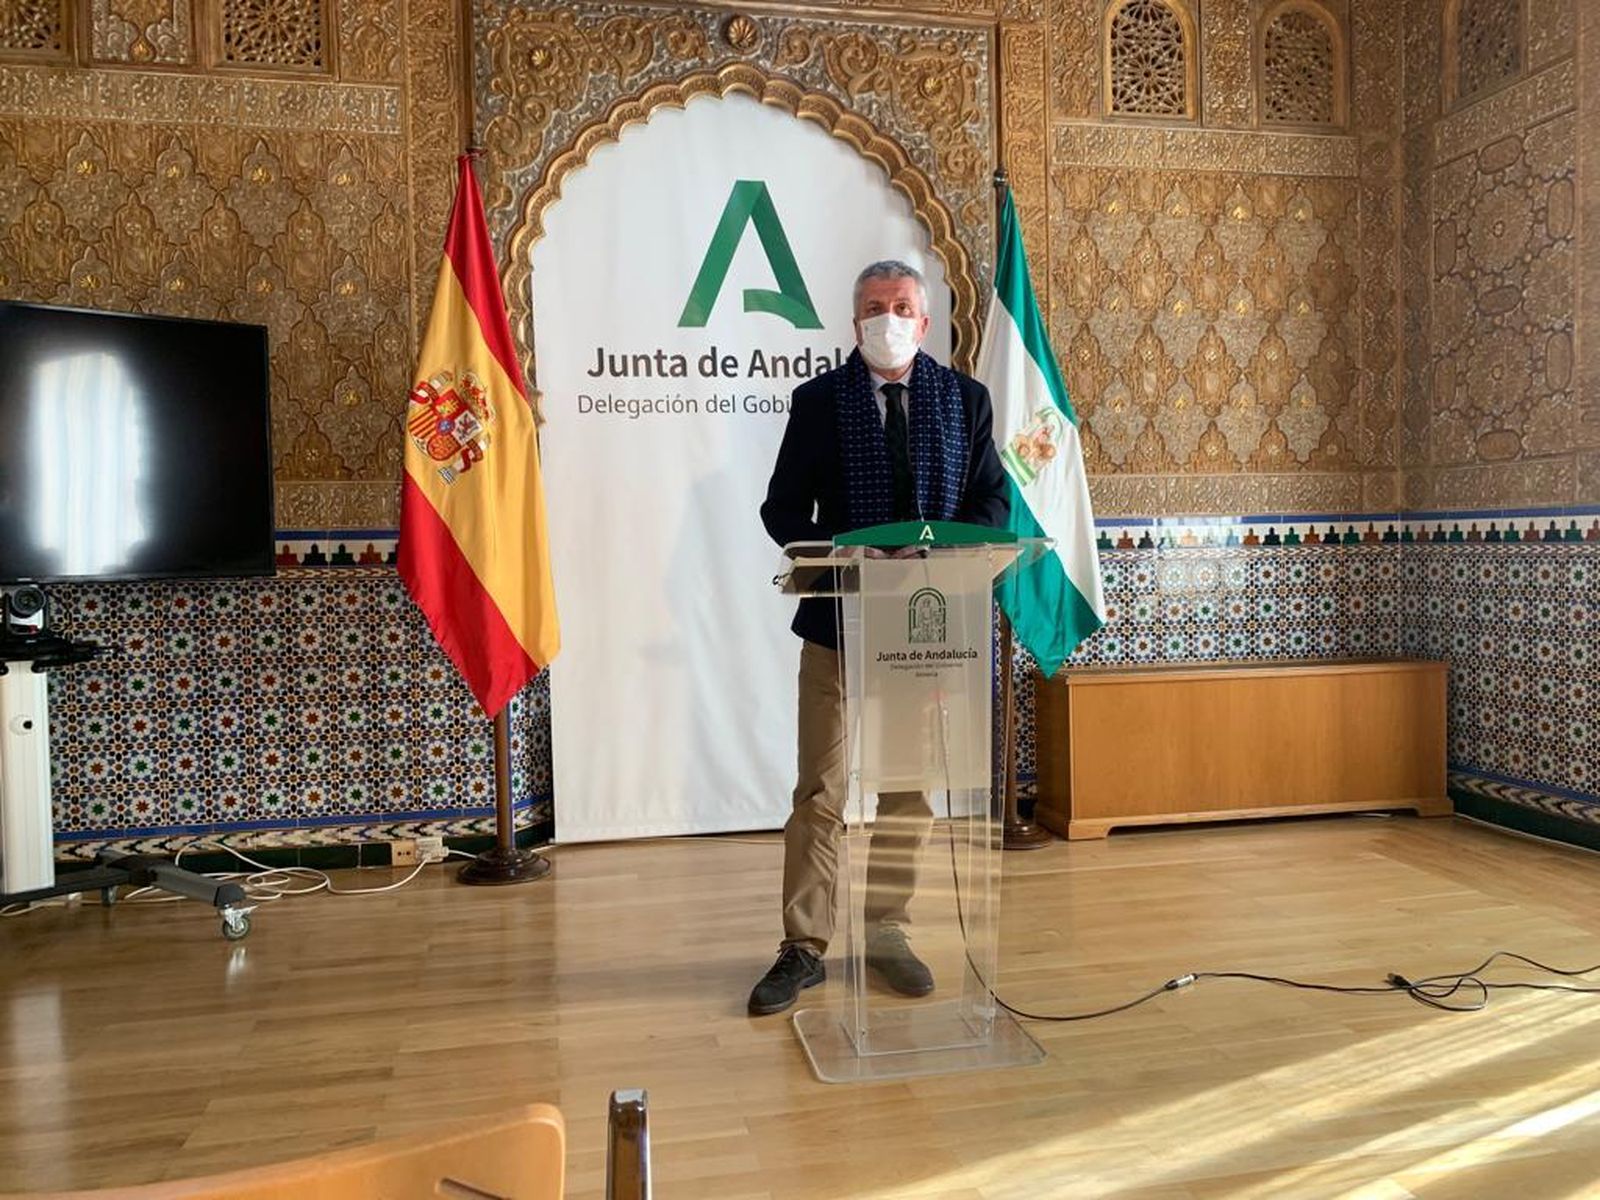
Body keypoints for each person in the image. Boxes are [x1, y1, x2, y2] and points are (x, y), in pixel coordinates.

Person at [749, 260, 1010, 1016]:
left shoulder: (966, 400)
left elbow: (993, 501)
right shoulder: (818, 402)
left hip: (925, 629)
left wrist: (947, 544)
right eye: (873, 307)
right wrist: (845, 546)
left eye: (901, 307)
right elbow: (781, 510)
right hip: (838, 623)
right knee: (820, 792)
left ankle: (890, 931)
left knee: (906, 793)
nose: (887, 318)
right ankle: (803, 947)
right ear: (853, 320)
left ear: (924, 323)